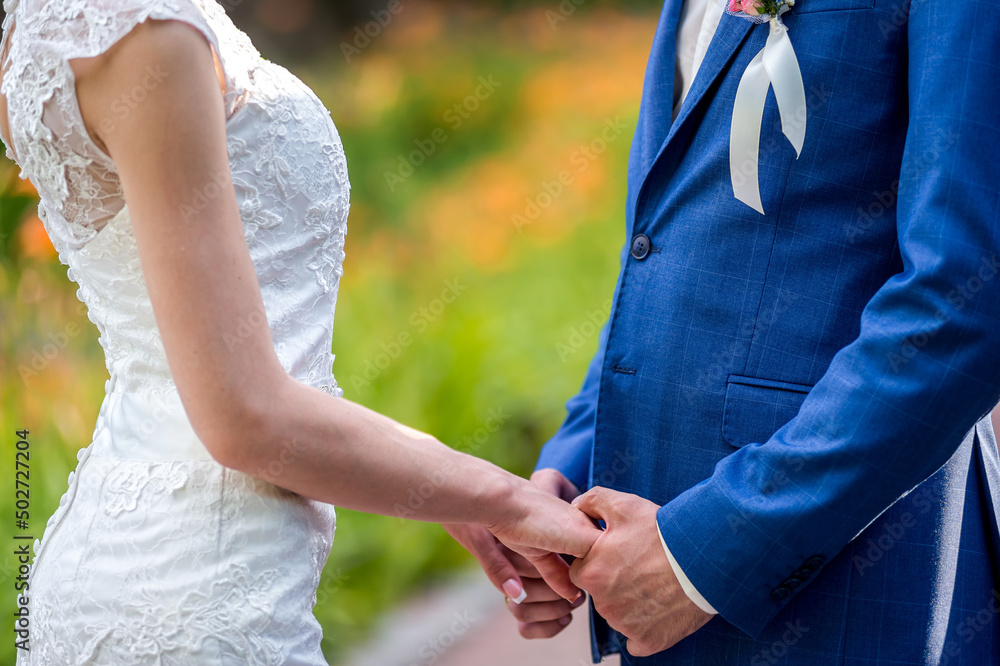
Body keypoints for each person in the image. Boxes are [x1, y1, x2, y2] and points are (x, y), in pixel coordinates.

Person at [0, 1, 600, 663]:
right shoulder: (141, 31)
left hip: (134, 565)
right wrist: (509, 500)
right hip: (201, 604)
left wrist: (451, 492)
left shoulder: (59, 26)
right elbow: (245, 416)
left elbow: (224, 374)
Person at [449, 0, 1000, 663]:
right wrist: (567, 471)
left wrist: (703, 556)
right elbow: (670, 246)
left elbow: (967, 295)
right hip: (651, 549)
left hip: (843, 576)